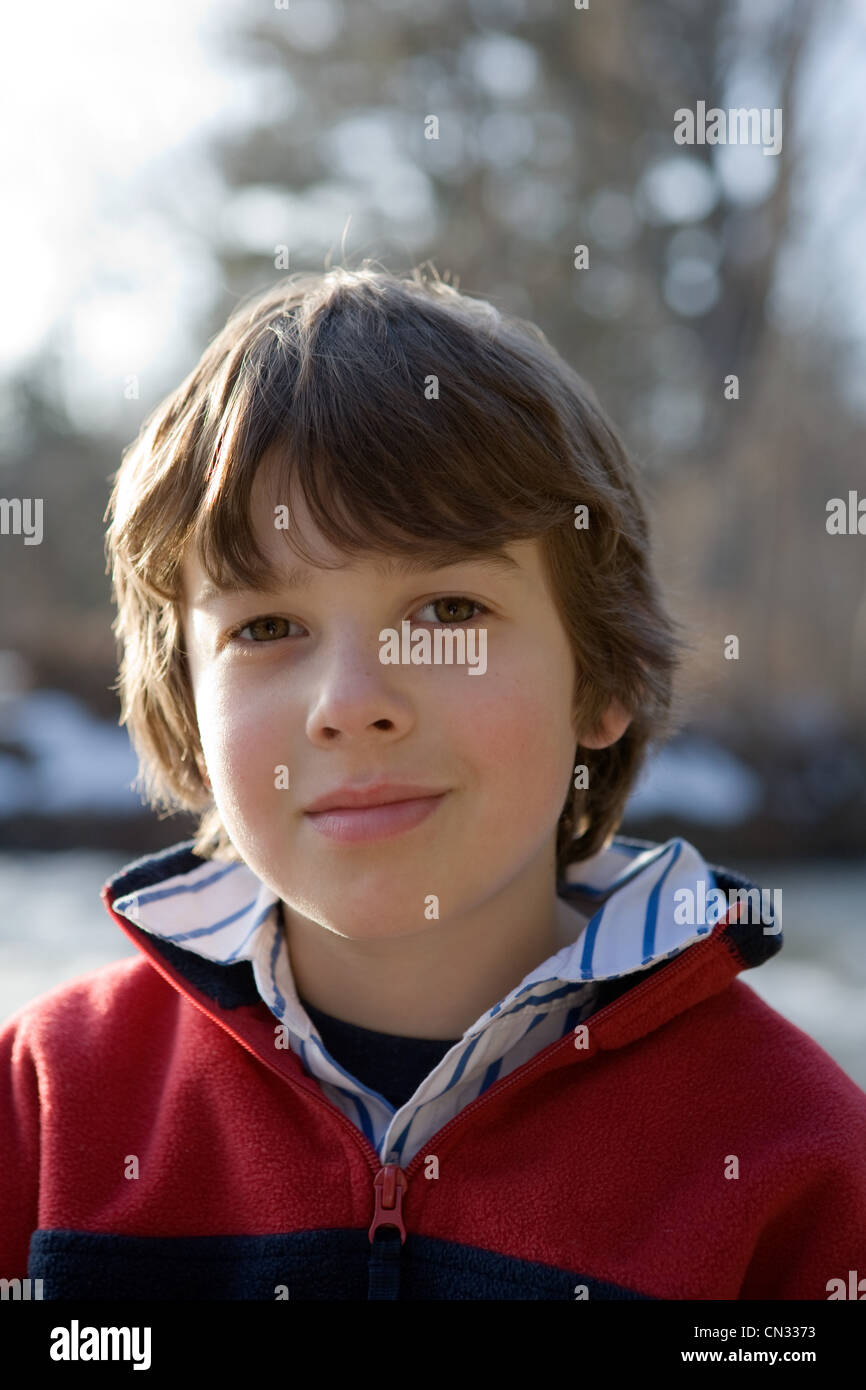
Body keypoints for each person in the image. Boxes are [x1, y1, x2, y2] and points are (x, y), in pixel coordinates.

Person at [1, 264, 864, 1301]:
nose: (352, 701)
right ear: (186, 707)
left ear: (601, 677)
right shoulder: (46, 1105)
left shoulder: (796, 1154)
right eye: (267, 628)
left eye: (448, 611)